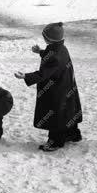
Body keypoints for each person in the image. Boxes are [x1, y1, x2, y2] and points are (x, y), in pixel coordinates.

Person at [14, 22, 83, 152]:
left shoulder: (55, 56)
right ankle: (72, 133)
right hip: (67, 86)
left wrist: (26, 76)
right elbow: (51, 54)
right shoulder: (61, 48)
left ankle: (55, 142)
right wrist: (40, 51)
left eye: (44, 36)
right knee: (68, 111)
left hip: (56, 89)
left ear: (49, 38)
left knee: (55, 114)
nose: (43, 38)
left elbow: (43, 74)